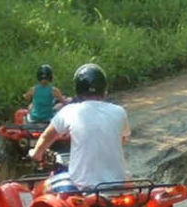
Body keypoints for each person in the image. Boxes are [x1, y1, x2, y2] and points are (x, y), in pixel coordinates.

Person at [29, 63, 130, 192]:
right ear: (104, 90)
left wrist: (36, 154)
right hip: (119, 182)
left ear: (78, 90)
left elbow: (47, 136)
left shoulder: (70, 111)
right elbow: (121, 140)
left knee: (41, 190)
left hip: (82, 185)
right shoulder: (119, 112)